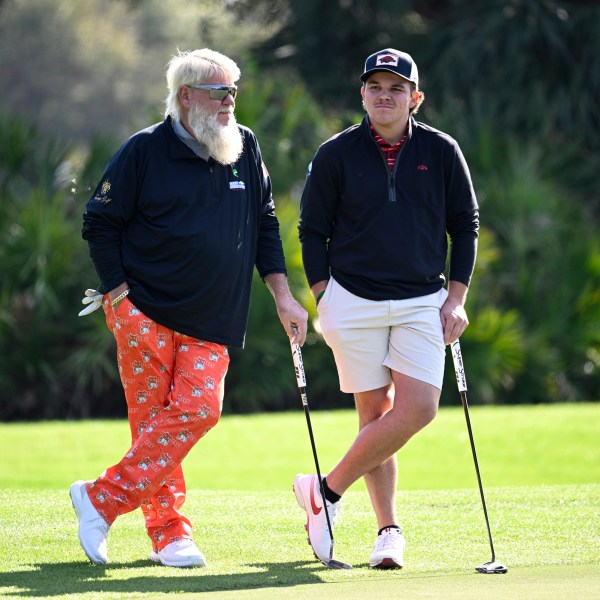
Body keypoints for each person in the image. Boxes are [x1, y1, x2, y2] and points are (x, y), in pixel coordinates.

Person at [72, 48, 307, 568]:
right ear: (186, 96)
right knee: (153, 422)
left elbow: (264, 222)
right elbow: (100, 222)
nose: (230, 102)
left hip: (213, 315)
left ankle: (100, 499)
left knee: (199, 410)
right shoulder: (143, 151)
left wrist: (283, 295)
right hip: (144, 311)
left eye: (233, 91)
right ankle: (170, 534)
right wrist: (118, 297)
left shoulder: (243, 146)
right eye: (219, 92)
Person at [294, 48, 479, 569]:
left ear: (415, 98)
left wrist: (457, 298)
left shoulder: (442, 151)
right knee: (373, 415)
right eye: (375, 86)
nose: (384, 95)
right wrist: (323, 295)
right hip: (352, 299)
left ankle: (323, 493)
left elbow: (464, 224)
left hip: (423, 298)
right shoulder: (336, 153)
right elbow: (312, 230)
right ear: (362, 94)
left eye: (396, 88)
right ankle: (387, 532)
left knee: (418, 408)